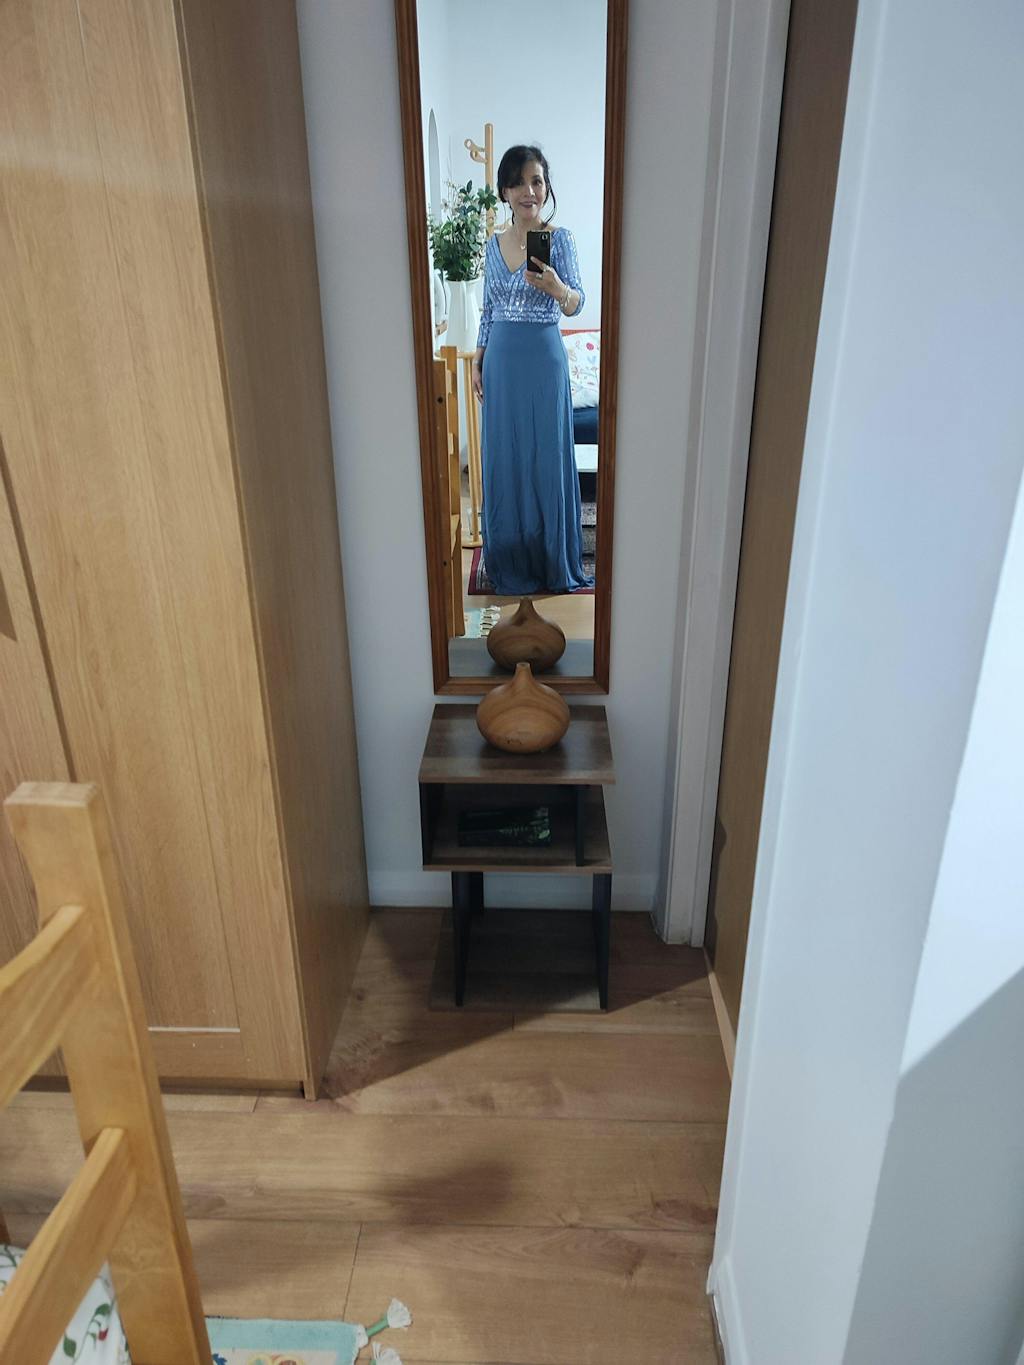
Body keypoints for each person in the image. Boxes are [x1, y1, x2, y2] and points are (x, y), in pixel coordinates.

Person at [471, 145, 594, 596]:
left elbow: (577, 302)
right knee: (506, 456)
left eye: (537, 181)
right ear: (505, 191)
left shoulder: (560, 240)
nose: (529, 191)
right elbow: (488, 310)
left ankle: (549, 558)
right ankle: (509, 556)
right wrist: (478, 359)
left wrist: (558, 287)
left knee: (546, 456)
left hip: (543, 359)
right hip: (501, 360)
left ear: (546, 188)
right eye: (519, 182)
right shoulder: (492, 246)